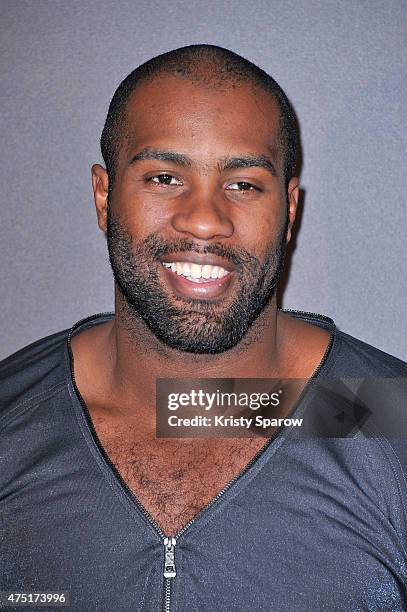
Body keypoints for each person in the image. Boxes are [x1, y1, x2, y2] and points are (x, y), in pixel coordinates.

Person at [1, 44, 406, 612]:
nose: (205, 220)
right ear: (104, 194)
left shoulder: (386, 419)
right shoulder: (10, 423)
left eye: (243, 184)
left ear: (289, 210)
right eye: (165, 176)